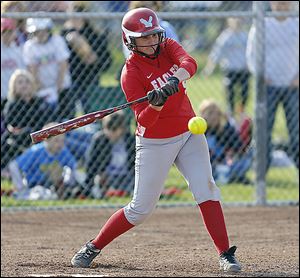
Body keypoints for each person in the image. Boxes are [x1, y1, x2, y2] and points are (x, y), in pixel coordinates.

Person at [71, 8, 241, 273]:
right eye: (144, 38)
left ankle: (224, 253)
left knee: (206, 190)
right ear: (130, 41)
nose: (151, 42)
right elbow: (145, 121)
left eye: (154, 35)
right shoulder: (131, 73)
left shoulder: (168, 47)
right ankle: (94, 245)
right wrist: (157, 104)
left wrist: (174, 80)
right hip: (155, 143)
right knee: (140, 210)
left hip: (188, 134)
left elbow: (190, 64)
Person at [246, 1, 299, 170]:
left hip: (293, 86)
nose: (282, 4)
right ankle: (261, 170)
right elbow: (251, 54)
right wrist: (261, 75)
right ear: (271, 3)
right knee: (263, 130)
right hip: (267, 87)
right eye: (278, 2)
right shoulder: (262, 24)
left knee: (296, 131)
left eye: (286, 2)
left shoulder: (296, 24)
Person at [61, 1, 112, 118]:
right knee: (70, 114)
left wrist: (92, 58)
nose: (75, 15)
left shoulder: (93, 33)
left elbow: (107, 60)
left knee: (91, 113)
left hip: (90, 79)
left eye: (78, 11)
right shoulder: (64, 34)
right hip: (70, 79)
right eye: (72, 11)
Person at [8, 122, 78, 200]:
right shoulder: (36, 151)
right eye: (56, 141)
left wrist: (67, 182)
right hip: (35, 185)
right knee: (41, 195)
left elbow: (73, 166)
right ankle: (22, 195)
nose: (60, 144)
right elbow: (13, 165)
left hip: (54, 186)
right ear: (46, 140)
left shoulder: (63, 151)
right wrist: (21, 187)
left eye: (62, 141)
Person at [1, 69, 54, 170]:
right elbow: (17, 127)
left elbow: (49, 119)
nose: (24, 85)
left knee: (80, 138)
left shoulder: (39, 101)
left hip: (47, 135)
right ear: (14, 86)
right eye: (20, 82)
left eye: (27, 81)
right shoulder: (12, 105)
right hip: (22, 140)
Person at [23, 17, 72, 117]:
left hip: (62, 86)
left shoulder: (57, 41)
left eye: (43, 31)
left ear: (48, 30)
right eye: (38, 31)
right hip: (43, 89)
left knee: (66, 116)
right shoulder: (29, 46)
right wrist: (40, 87)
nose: (41, 34)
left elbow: (63, 64)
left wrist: (58, 86)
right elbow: (32, 69)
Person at [202, 18, 250, 116]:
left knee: (245, 91)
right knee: (230, 91)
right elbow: (216, 53)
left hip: (243, 69)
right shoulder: (225, 36)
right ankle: (231, 112)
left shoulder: (245, 36)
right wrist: (209, 69)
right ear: (230, 22)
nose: (237, 23)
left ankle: (241, 110)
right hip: (230, 69)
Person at [82, 110, 135, 198]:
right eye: (107, 128)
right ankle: (107, 190)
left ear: (122, 129)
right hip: (107, 176)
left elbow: (135, 164)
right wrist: (90, 182)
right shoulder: (99, 139)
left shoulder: (130, 140)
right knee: (101, 181)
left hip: (126, 176)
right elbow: (91, 163)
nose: (110, 132)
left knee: (131, 184)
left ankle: (124, 190)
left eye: (114, 129)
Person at [199, 100, 252, 184]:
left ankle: (231, 176)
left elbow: (240, 146)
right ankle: (230, 177)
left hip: (226, 163)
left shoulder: (226, 129)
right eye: (210, 113)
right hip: (209, 166)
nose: (214, 116)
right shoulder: (200, 132)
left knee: (247, 159)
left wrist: (228, 123)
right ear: (203, 116)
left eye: (216, 113)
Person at [1, 18, 25, 111]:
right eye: (4, 32)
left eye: (10, 32)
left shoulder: (18, 50)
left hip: (15, 94)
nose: (7, 35)